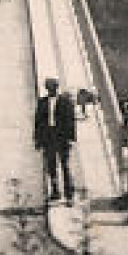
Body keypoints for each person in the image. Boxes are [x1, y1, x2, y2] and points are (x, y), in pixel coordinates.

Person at [33, 77, 77, 205]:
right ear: (47, 88)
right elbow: (38, 123)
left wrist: (71, 138)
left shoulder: (65, 102)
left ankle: (69, 195)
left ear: (56, 88)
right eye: (49, 87)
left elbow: (70, 121)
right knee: (51, 166)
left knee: (65, 166)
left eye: (53, 87)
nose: (51, 89)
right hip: (49, 137)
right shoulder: (42, 102)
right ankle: (55, 192)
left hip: (62, 137)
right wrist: (38, 140)